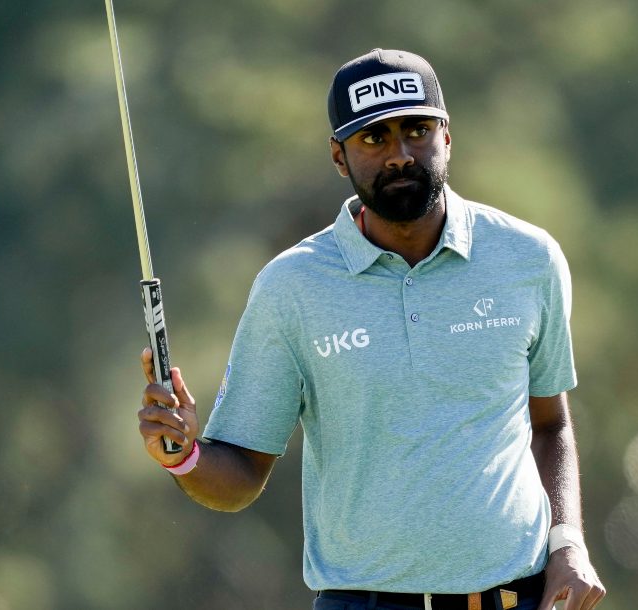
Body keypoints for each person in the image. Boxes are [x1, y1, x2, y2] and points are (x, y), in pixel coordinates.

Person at [138, 48, 606, 610]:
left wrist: (569, 543)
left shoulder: (528, 258)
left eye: (416, 131)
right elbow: (241, 471)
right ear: (339, 156)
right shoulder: (293, 286)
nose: (400, 155)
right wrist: (184, 455)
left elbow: (549, 425)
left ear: (447, 135)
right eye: (373, 139)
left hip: (512, 598)